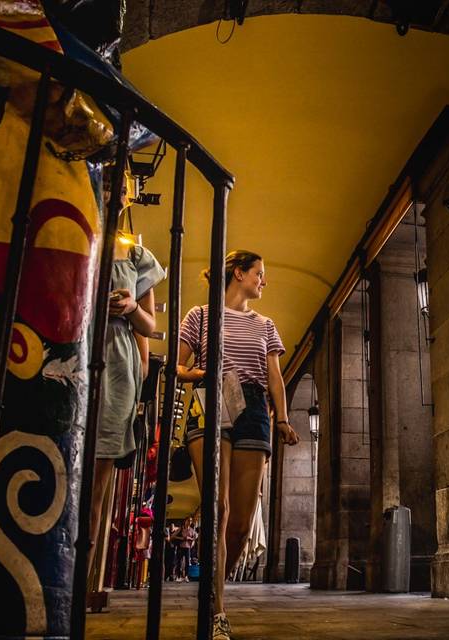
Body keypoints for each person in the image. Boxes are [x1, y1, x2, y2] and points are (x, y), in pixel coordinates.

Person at [177, 250, 300, 640]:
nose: (264, 281)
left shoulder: (266, 325)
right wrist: (199, 371)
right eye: (259, 274)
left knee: (242, 524)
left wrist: (282, 418)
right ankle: (217, 612)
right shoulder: (199, 315)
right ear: (239, 273)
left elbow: (274, 377)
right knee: (218, 508)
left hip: (253, 410)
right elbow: (177, 367)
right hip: (210, 399)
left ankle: (214, 587)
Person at [86, 226, 165, 578]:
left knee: (95, 488)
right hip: (72, 339)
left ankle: (75, 590)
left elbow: (149, 325)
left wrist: (131, 306)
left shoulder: (134, 254)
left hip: (115, 358)